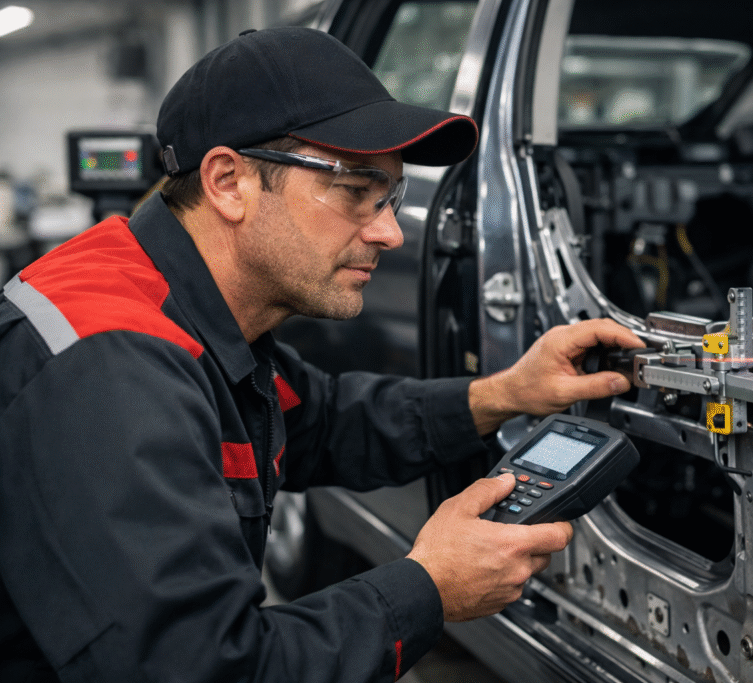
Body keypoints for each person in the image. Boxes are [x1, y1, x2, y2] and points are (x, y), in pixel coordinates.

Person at [0, 27, 644, 683]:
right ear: (229, 181)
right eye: (354, 190)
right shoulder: (110, 370)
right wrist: (429, 586)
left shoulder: (184, 304)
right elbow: (204, 672)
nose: (390, 231)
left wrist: (506, 393)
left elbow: (323, 421)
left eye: (390, 196)